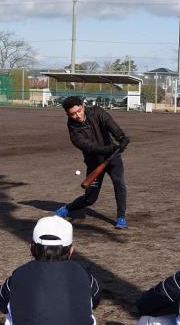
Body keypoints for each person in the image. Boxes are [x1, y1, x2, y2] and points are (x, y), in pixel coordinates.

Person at [0, 215, 101, 325]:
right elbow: (96, 299)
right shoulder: (84, 275)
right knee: (87, 313)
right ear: (70, 251)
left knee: (12, 313)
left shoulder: (18, 276)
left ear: (32, 249)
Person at [55, 96, 130, 229]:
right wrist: (109, 148)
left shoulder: (97, 112)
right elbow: (89, 147)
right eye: (72, 114)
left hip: (113, 158)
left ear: (82, 106)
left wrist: (122, 138)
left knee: (119, 183)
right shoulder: (73, 130)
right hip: (94, 162)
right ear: (67, 114)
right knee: (90, 199)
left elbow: (111, 125)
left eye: (78, 111)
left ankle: (121, 217)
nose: (77, 116)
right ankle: (68, 208)